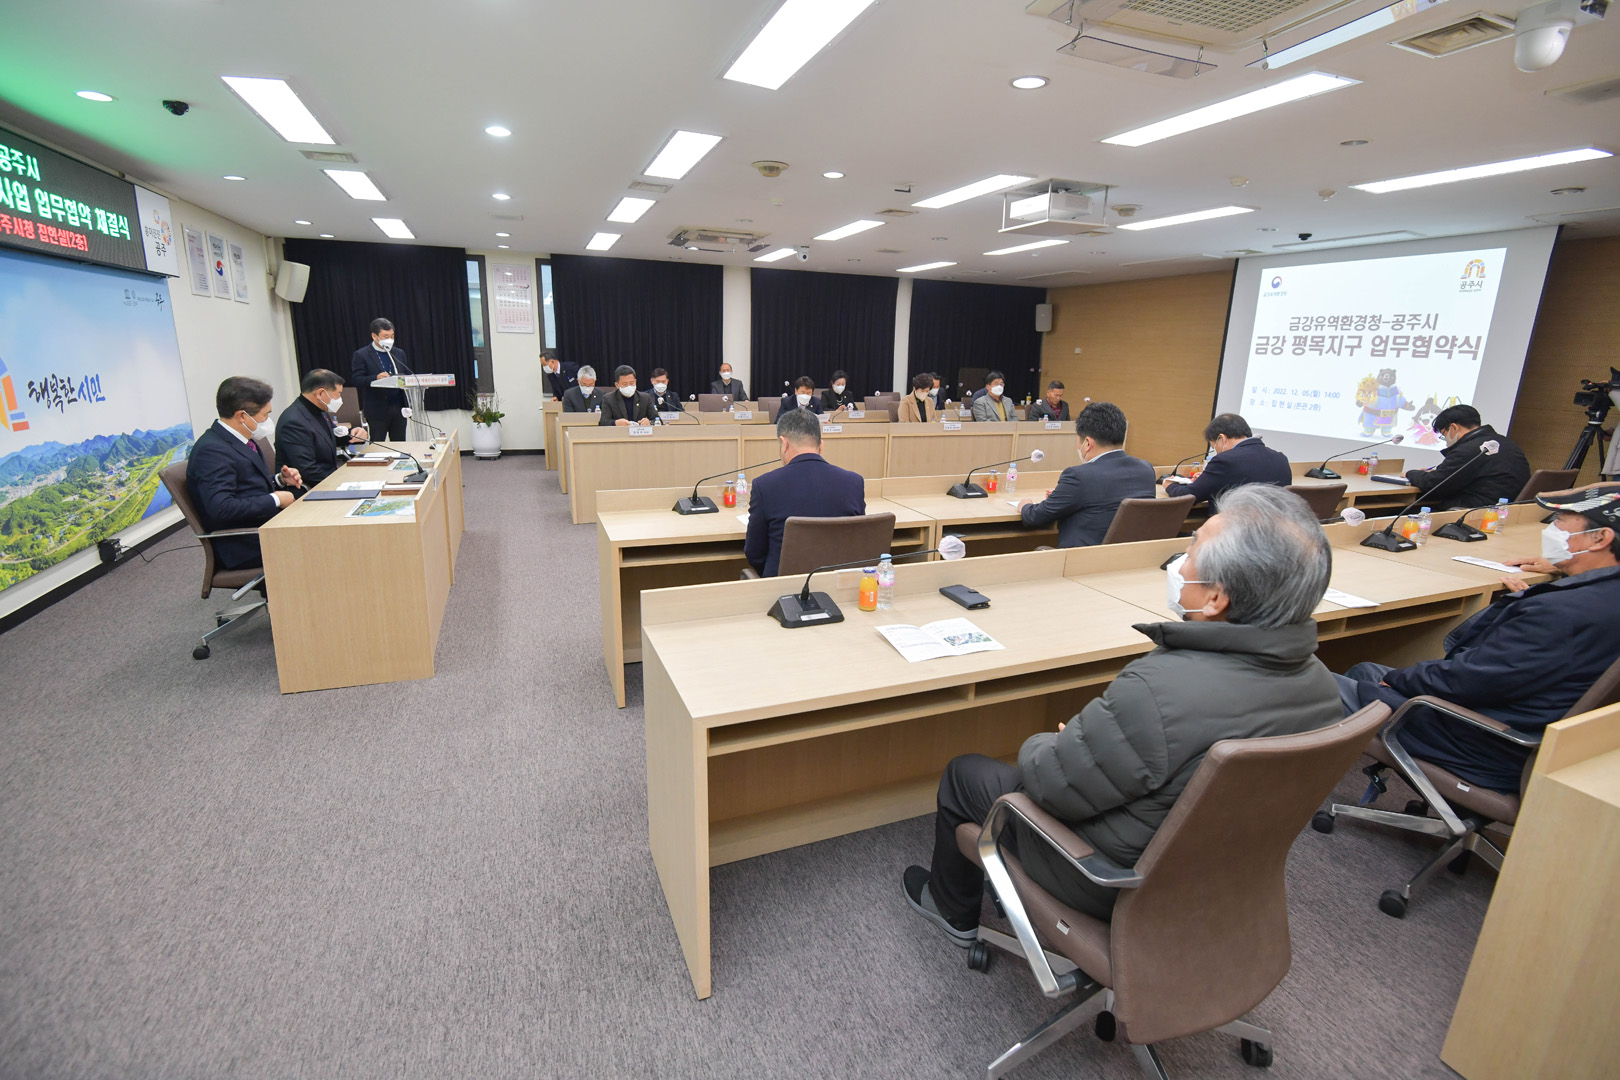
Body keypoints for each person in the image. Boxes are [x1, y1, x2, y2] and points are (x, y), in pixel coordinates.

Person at [903, 485, 1342, 942]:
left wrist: (1052, 742)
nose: (1180, 561)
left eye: (1192, 549)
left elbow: (1049, 786)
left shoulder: (1159, 691)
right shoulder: (1324, 687)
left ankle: (950, 909)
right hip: (1219, 874)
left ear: (1216, 598)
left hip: (1107, 878)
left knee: (965, 774)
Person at [1336, 484, 1620, 794]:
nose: (1552, 529)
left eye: (1561, 521)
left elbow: (1467, 679)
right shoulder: (1596, 601)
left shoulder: (1561, 613)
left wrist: (1399, 679)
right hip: (1546, 735)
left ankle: (1308, 784)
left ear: (1600, 538)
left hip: (1485, 742)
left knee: (1310, 682)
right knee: (1365, 671)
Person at [186, 377, 304, 571]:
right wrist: (275, 499)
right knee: (323, 540)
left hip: (263, 525)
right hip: (244, 542)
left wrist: (280, 480)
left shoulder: (240, 439)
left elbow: (245, 485)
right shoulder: (212, 451)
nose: (267, 421)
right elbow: (221, 508)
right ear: (242, 416)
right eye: (265, 415)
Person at [743, 410, 866, 577]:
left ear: (784, 444)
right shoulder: (854, 482)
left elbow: (754, 553)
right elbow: (858, 543)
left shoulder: (764, 485)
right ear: (821, 445)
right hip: (836, 586)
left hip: (781, 588)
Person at [1016, 402, 1155, 547]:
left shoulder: (1079, 476)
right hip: (1131, 557)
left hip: (1084, 558)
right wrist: (1063, 495)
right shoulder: (1146, 469)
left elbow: (1035, 517)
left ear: (1087, 443)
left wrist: (1025, 504)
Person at [1402, 403, 1530, 510]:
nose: (1445, 440)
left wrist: (1410, 473)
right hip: (1505, 511)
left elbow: (1434, 485)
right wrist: (1438, 473)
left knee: (1404, 511)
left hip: (1472, 511)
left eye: (1443, 435)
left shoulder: (1467, 450)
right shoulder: (1507, 443)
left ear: (1453, 427)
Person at [1163, 413, 1291, 510]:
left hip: (1234, 532)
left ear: (1222, 438)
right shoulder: (1281, 458)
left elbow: (1190, 496)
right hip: (1275, 531)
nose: (1216, 452)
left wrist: (1170, 485)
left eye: (1214, 446)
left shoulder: (1225, 460)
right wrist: (1208, 478)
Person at [275, 369, 369, 489]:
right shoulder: (294, 422)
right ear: (321, 393)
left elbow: (330, 436)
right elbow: (307, 470)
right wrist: (342, 484)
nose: (340, 399)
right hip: (310, 487)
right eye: (338, 394)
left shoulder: (319, 410)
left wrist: (354, 434)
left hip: (328, 477)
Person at [350, 318, 409, 441]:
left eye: (392, 336)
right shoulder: (362, 355)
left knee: (400, 445)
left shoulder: (399, 353)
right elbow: (357, 379)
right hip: (377, 409)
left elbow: (406, 374)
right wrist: (375, 377)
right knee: (378, 446)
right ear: (374, 336)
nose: (390, 340)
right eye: (386, 336)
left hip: (398, 408)